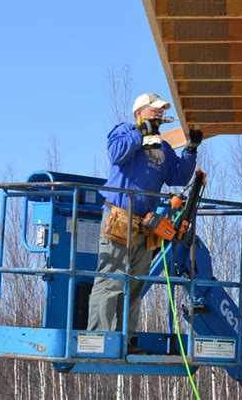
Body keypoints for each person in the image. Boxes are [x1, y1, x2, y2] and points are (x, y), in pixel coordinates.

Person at [87, 92, 203, 348]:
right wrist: (140, 133)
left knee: (136, 283)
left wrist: (190, 150)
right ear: (140, 112)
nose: (160, 114)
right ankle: (100, 337)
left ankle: (124, 338)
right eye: (155, 110)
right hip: (119, 217)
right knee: (111, 280)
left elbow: (178, 177)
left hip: (144, 223)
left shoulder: (163, 147)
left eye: (161, 110)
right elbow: (116, 154)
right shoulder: (124, 132)